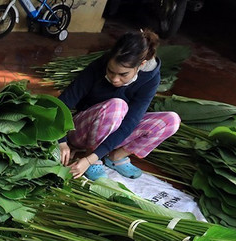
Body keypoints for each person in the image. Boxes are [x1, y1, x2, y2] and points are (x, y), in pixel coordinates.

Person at [56, 29, 180, 181]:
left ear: (141, 65)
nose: (115, 79)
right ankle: (92, 155)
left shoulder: (151, 79)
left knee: (171, 120)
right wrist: (61, 141)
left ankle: (115, 157)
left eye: (123, 74)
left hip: (116, 132)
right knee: (117, 106)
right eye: (111, 71)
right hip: (83, 129)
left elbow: (130, 123)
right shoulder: (99, 65)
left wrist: (89, 161)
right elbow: (62, 103)